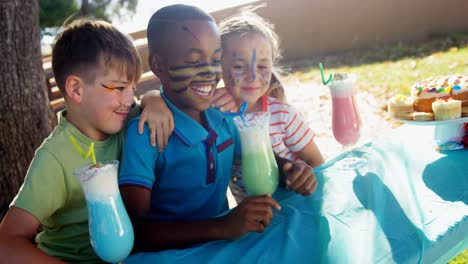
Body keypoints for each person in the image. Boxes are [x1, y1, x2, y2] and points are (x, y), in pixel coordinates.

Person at [118, 4, 316, 252]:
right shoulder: (147, 132)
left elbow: (264, 160)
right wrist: (221, 226)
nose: (210, 72)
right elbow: (134, 232)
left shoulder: (223, 119)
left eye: (216, 59)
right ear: (158, 66)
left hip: (221, 249)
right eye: (193, 60)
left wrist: (292, 171)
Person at [0, 18, 160, 263]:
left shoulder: (129, 121)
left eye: (133, 88)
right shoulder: (55, 158)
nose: (129, 99)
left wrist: (153, 98)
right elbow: (6, 243)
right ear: (76, 89)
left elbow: (152, 103)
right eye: (119, 88)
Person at [139, 9, 325, 203]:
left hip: (296, 207)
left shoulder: (283, 115)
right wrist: (152, 98)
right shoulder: (214, 116)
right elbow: (176, 100)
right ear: (219, 64)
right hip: (254, 223)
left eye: (261, 67)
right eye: (238, 67)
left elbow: (318, 163)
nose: (252, 77)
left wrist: (303, 178)